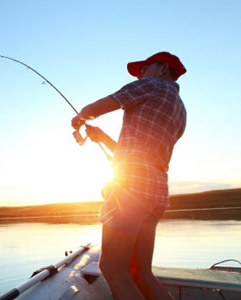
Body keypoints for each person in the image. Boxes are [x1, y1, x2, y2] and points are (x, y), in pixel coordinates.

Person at [71, 51, 187, 300]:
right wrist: (102, 138)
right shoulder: (180, 109)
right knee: (141, 272)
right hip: (155, 194)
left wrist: (80, 117)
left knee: (112, 269)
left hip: (131, 190)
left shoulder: (150, 84)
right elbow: (141, 155)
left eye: (144, 68)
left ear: (162, 69)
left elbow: (96, 108)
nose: (140, 74)